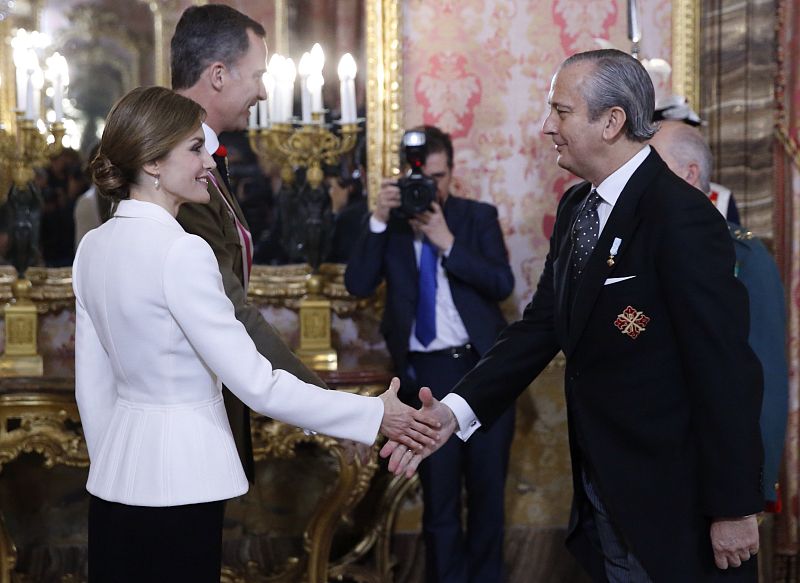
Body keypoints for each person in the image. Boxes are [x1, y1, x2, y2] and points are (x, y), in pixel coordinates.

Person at [385, 49, 764, 582]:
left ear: (611, 122)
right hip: (602, 486)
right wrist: (454, 412)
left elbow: (724, 367)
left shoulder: (681, 217)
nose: (547, 127)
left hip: (675, 499)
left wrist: (733, 506)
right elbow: (542, 326)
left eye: (561, 112)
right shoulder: (577, 207)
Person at [75, 86, 439, 582]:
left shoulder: (93, 247)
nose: (210, 161)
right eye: (195, 148)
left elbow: (93, 387)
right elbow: (258, 385)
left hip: (115, 480)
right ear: (154, 163)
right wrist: (375, 412)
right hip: (183, 482)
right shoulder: (182, 252)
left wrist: (115, 462)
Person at [345, 125, 515, 583]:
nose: (430, 188)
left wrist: (448, 242)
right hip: (427, 378)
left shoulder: (476, 217)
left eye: (439, 177)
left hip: (483, 373)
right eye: (422, 177)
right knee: (438, 504)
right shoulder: (391, 226)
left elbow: (503, 284)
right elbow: (357, 284)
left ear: (451, 173)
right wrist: (378, 219)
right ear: (404, 175)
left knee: (487, 501)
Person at [170, 4, 330, 483]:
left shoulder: (205, 156)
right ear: (218, 75)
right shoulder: (176, 169)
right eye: (258, 75)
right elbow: (230, 307)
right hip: (187, 417)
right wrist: (326, 403)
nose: (264, 91)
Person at [649, 120, 789, 511]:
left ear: (689, 174)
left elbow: (766, 381)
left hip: (713, 476)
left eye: (651, 164)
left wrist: (751, 490)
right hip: (646, 469)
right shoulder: (634, 249)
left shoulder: (744, 258)